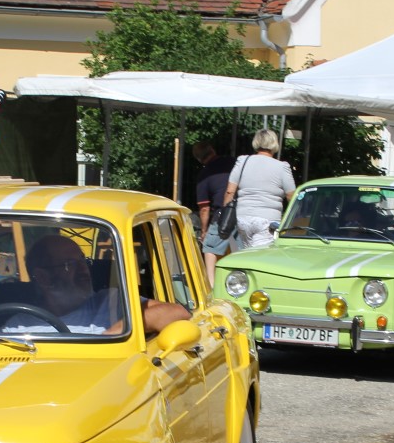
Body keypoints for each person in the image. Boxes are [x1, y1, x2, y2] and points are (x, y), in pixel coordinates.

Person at [23, 234, 189, 335]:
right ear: (43, 277)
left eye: (83, 260)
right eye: (70, 264)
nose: (84, 269)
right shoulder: (16, 327)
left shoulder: (110, 302)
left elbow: (177, 312)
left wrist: (121, 329)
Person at [223, 129, 296, 249]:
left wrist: (225, 214)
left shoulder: (242, 161)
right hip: (267, 221)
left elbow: (230, 191)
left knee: (247, 254)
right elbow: (291, 197)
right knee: (261, 259)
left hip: (242, 218)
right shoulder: (282, 167)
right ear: (274, 143)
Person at [192, 140, 235, 276]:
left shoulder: (205, 175)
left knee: (209, 248)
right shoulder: (233, 162)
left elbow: (204, 208)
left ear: (199, 159)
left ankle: (210, 286)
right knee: (243, 251)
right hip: (246, 211)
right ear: (212, 150)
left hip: (223, 216)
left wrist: (204, 231)